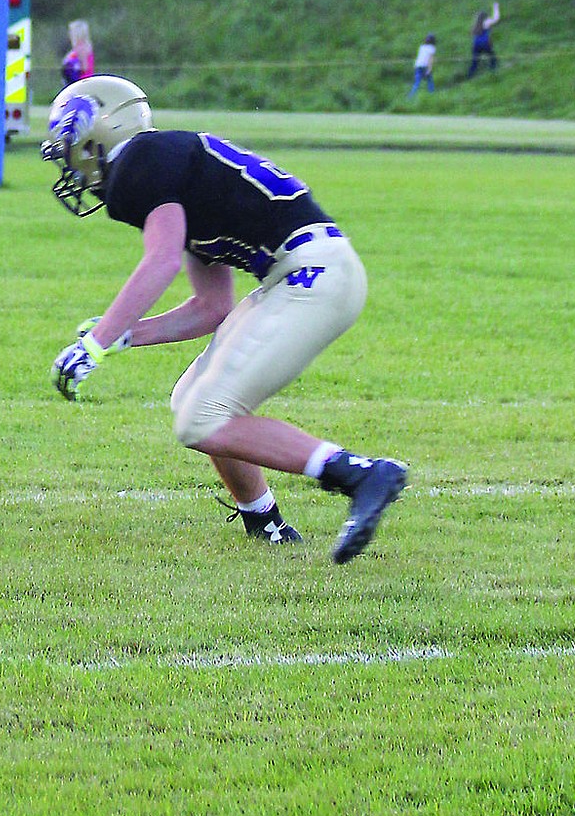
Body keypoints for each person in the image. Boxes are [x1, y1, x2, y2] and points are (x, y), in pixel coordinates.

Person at [40, 76, 407, 564]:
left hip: (314, 273)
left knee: (203, 418)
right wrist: (126, 336)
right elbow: (209, 307)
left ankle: (359, 473)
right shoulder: (173, 169)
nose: (70, 164)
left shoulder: (140, 162)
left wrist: (96, 345)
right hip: (301, 272)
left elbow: (161, 260)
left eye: (70, 147)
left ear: (97, 133)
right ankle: (263, 519)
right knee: (191, 399)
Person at [466, 2, 500, 77]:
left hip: (476, 45)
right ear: (485, 17)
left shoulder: (476, 25)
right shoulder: (485, 23)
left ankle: (469, 76)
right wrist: (496, 7)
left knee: (475, 62)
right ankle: (493, 72)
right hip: (485, 44)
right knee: (493, 58)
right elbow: (496, 19)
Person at [61, 19, 95, 85]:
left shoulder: (81, 47)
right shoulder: (86, 46)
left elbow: (85, 67)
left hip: (81, 82)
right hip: (83, 81)